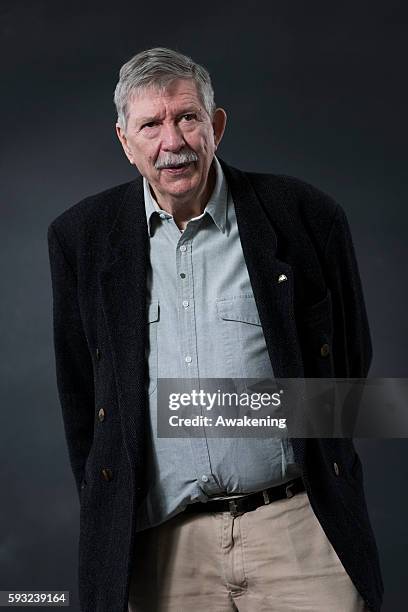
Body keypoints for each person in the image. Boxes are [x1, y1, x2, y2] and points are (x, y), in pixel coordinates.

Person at [47, 47, 384, 612]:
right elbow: (84, 405)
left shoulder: (305, 215)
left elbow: (348, 385)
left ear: (216, 125)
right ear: (125, 142)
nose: (172, 141)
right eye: (150, 125)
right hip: (165, 550)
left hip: (301, 532)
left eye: (186, 117)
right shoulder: (80, 238)